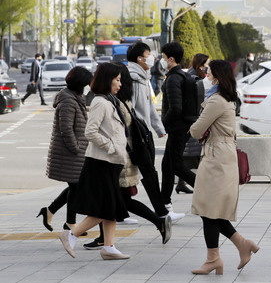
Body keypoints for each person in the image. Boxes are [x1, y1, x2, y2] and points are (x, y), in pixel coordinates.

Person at [85, 64, 172, 248]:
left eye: (119, 79)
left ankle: (76, 235)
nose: (119, 83)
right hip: (121, 158)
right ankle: (105, 240)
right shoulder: (120, 101)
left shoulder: (114, 103)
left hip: (117, 160)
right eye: (116, 79)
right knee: (115, 202)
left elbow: (105, 133)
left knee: (115, 201)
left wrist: (109, 147)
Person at [189, 60, 259, 275]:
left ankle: (214, 259)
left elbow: (195, 130)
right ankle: (240, 245)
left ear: (217, 76)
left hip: (215, 159)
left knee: (209, 211)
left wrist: (196, 124)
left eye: (209, 70)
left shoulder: (216, 100)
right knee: (212, 211)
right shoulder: (225, 98)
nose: (206, 72)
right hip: (222, 156)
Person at [59, 63, 130, 260]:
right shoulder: (100, 102)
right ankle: (71, 234)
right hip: (101, 162)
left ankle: (109, 247)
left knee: (111, 208)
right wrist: (111, 147)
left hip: (112, 161)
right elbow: (90, 131)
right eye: (117, 80)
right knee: (105, 208)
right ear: (107, 80)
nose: (120, 84)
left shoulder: (110, 100)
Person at [123, 42, 184, 226]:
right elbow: (129, 110)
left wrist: (159, 129)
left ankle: (119, 212)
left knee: (131, 175)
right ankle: (162, 212)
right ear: (139, 58)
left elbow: (149, 109)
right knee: (149, 173)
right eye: (148, 54)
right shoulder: (133, 79)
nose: (153, 58)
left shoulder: (142, 78)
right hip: (137, 136)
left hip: (144, 134)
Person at [38, 67, 93, 233]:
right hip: (70, 152)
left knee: (75, 186)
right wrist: (76, 147)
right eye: (86, 84)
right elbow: (66, 129)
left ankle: (56, 214)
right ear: (80, 84)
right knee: (76, 186)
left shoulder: (75, 97)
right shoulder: (68, 101)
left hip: (75, 151)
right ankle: (67, 221)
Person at [160, 42, 197, 212]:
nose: (161, 60)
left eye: (163, 57)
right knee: (167, 165)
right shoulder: (182, 76)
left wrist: (163, 123)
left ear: (171, 58)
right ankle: (164, 203)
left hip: (178, 128)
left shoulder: (173, 79)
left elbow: (175, 108)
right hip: (183, 126)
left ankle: (206, 190)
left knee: (175, 165)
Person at [177, 52, 210, 194]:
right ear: (200, 66)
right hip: (193, 121)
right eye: (207, 65)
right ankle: (203, 186)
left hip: (188, 122)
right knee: (196, 156)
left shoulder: (189, 76)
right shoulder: (196, 81)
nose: (208, 69)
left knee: (188, 156)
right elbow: (198, 105)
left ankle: (181, 184)